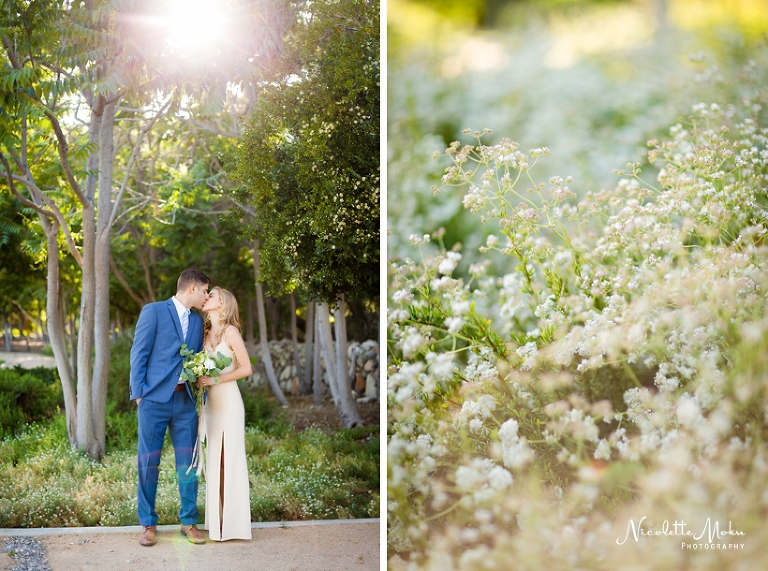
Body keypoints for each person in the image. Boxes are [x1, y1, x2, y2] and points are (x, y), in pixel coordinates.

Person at [129, 269, 211, 547]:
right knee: (148, 463)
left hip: (184, 401)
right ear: (192, 288)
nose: (206, 296)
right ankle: (148, 524)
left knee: (188, 465)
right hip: (153, 401)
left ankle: (189, 522)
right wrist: (139, 395)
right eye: (204, 291)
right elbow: (138, 353)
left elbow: (197, 356)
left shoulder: (198, 321)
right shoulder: (153, 311)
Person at [198, 286, 253, 541]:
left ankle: (232, 524)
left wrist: (216, 379)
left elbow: (246, 369)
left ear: (223, 304)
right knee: (213, 463)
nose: (207, 297)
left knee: (226, 461)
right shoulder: (204, 332)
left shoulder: (231, 332)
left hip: (229, 404)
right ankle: (218, 521)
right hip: (210, 407)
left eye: (213, 295)